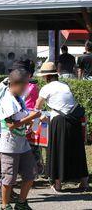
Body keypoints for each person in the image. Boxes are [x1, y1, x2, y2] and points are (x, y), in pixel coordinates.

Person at [35, 62, 89, 192]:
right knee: (77, 150)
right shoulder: (65, 85)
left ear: (46, 77)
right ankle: (84, 182)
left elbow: (37, 106)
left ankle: (58, 184)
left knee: (57, 151)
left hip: (58, 121)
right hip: (73, 119)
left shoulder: (46, 88)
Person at [0, 69, 40, 210]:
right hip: (9, 145)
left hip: (22, 144)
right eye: (25, 85)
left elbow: (21, 118)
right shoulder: (7, 100)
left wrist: (32, 120)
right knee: (9, 178)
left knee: (31, 173)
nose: (27, 88)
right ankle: (5, 205)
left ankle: (21, 202)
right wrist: (30, 118)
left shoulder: (19, 99)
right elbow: (10, 125)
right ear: (15, 84)